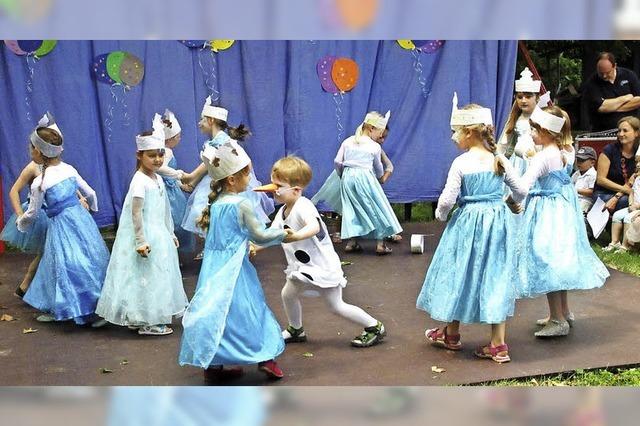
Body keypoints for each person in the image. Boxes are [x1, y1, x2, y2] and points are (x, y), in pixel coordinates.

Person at [417, 94, 521, 363]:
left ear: (469, 132)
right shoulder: (499, 159)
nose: (454, 138)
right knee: (495, 276)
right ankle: (498, 344)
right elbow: (521, 190)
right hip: (497, 223)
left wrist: (441, 216)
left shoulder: (461, 163)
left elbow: (447, 200)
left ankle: (451, 334)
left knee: (458, 271)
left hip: (467, 224)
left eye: (456, 132)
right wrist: (508, 202)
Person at [179, 140, 290, 382]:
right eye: (246, 175)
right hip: (235, 268)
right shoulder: (242, 204)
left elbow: (224, 237)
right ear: (231, 179)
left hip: (213, 266)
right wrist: (283, 232)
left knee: (217, 310)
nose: (249, 180)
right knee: (249, 309)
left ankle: (215, 362)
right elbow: (259, 234)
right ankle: (265, 357)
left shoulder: (216, 204)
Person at [259, 156, 386, 348]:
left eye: (278, 185)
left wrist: (296, 236)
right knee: (288, 294)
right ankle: (296, 329)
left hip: (321, 266)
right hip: (302, 267)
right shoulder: (283, 209)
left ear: (295, 190)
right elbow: (273, 234)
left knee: (336, 306)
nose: (273, 189)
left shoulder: (303, 206)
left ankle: (374, 326)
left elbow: (314, 227)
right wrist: (256, 246)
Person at [508, 106, 609, 337]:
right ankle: (563, 311)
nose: (531, 133)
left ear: (546, 131)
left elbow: (522, 188)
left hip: (547, 213)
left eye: (534, 129)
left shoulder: (543, 157)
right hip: (562, 209)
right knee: (557, 258)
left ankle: (557, 319)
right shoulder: (565, 151)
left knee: (547, 260)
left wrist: (506, 173)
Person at [95, 114, 188, 335]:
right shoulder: (139, 182)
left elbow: (163, 208)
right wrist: (140, 240)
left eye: (160, 155)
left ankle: (144, 316)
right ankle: (148, 321)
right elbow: (135, 214)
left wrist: (169, 231)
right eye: (152, 155)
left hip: (159, 234)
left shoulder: (156, 178)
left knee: (154, 276)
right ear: (139, 155)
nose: (157, 160)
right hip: (146, 236)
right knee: (145, 276)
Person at [16, 113, 109, 325]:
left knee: (65, 262)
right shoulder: (69, 169)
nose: (30, 151)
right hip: (81, 220)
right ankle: (94, 306)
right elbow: (91, 193)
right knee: (90, 258)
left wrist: (20, 223)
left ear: (38, 152)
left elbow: (32, 212)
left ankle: (85, 308)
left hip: (61, 226)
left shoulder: (40, 182)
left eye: (31, 148)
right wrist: (91, 210)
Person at [181, 96, 274, 260]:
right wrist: (193, 180)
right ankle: (216, 245)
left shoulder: (222, 141)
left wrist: (192, 178)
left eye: (202, 119)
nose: (199, 123)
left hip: (225, 181)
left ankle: (223, 246)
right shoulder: (217, 141)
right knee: (209, 212)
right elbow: (208, 164)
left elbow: (241, 163)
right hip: (217, 179)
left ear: (210, 120)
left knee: (211, 211)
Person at [330, 110, 402, 255]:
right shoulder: (374, 146)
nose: (381, 136)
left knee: (352, 209)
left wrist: (342, 174)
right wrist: (381, 178)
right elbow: (378, 167)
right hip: (365, 177)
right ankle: (380, 244)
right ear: (371, 128)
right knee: (376, 207)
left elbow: (338, 161)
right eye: (380, 132)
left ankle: (352, 242)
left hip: (348, 177)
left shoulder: (348, 141)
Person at [156, 109, 195, 253]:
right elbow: (161, 169)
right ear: (170, 139)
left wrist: (180, 185)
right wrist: (179, 175)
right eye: (178, 137)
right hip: (169, 194)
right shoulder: (166, 152)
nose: (180, 139)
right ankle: (176, 251)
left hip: (172, 188)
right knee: (176, 220)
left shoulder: (164, 151)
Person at [497, 67, 542, 176]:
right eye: (520, 97)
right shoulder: (516, 118)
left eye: (528, 97)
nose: (523, 100)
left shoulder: (543, 117)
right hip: (517, 162)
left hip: (537, 160)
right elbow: (504, 142)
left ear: (536, 97)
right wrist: (498, 157)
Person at [583, 51, 640, 132]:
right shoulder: (592, 83)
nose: (604, 76)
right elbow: (601, 107)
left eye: (607, 72)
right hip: (603, 131)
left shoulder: (629, 75)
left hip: (630, 130)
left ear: (615, 66)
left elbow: (638, 101)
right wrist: (625, 98)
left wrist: (612, 107)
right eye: (601, 73)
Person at [593, 116, 639, 212]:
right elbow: (601, 180)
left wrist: (618, 195)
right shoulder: (609, 150)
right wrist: (626, 191)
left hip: (626, 192)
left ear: (636, 133)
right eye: (619, 131)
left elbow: (632, 181)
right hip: (604, 193)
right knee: (627, 201)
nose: (621, 134)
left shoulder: (638, 153)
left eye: (625, 130)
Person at [604, 163, 640, 252]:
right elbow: (632, 192)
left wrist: (637, 206)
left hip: (638, 208)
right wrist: (631, 203)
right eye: (637, 162)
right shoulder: (637, 179)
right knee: (617, 215)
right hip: (634, 206)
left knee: (628, 218)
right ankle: (615, 242)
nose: (638, 164)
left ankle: (625, 246)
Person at [571, 146, 598, 214]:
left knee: (579, 211)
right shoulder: (576, 174)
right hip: (574, 198)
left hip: (586, 200)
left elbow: (592, 192)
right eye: (578, 160)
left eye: (582, 161)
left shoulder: (593, 175)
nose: (579, 163)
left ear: (592, 163)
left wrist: (576, 190)